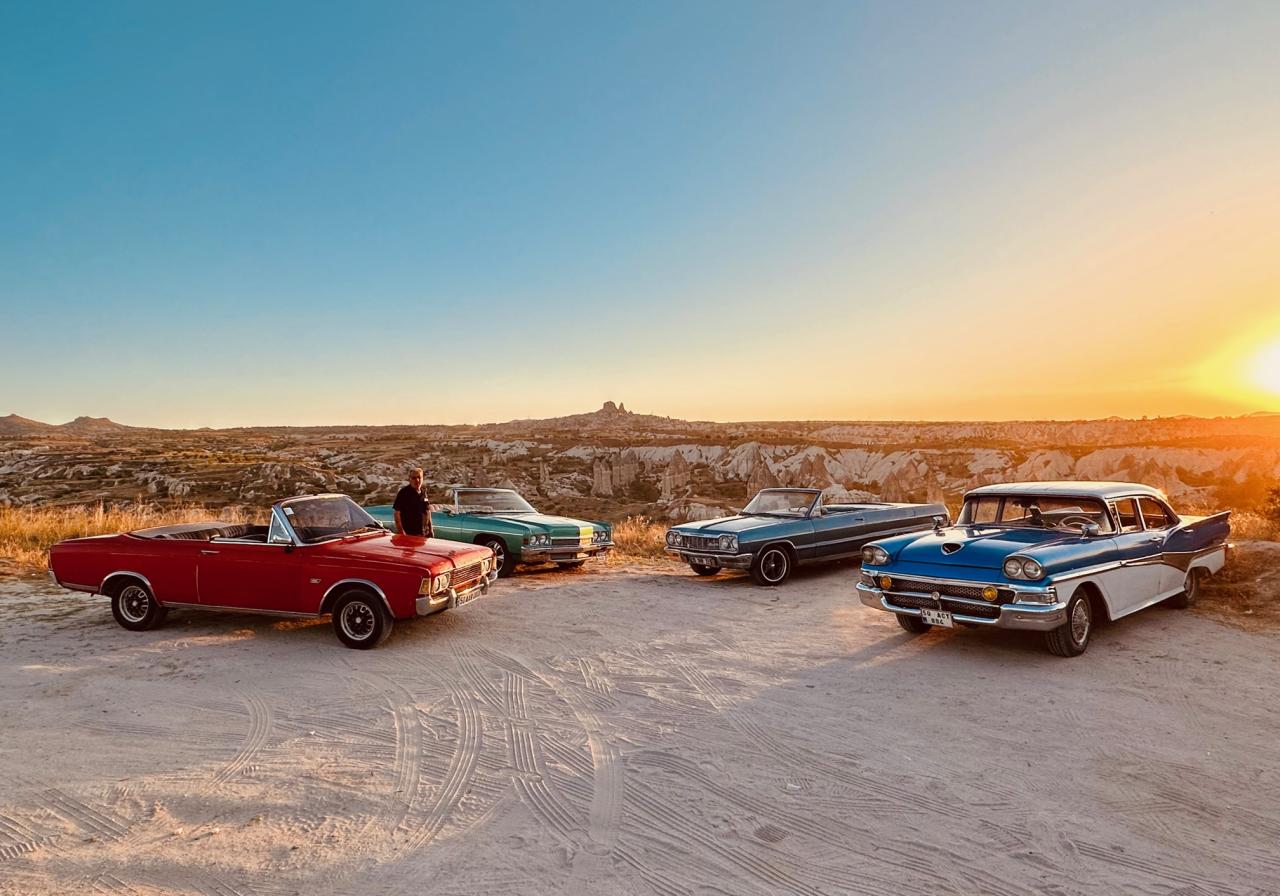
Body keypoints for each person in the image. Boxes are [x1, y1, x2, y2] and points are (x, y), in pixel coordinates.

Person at [393, 468, 433, 537]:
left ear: (422, 478)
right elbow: (397, 514)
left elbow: (427, 511)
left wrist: (431, 529)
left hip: (422, 534)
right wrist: (401, 532)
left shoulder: (423, 491)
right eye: (414, 478)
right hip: (409, 534)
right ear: (410, 479)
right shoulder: (404, 493)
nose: (417, 480)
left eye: (419, 477)